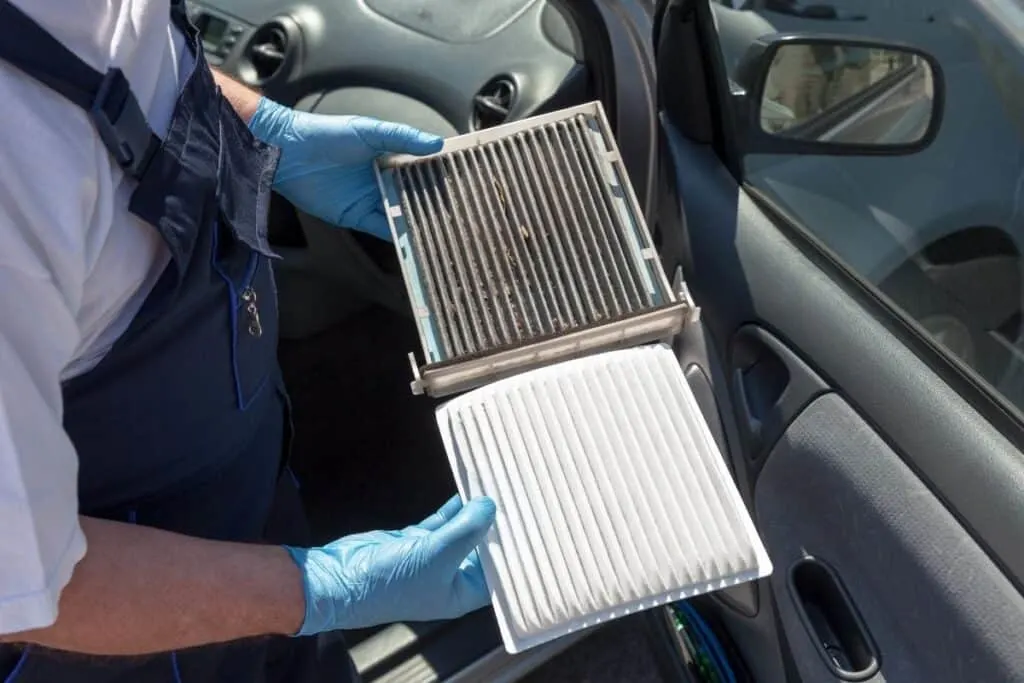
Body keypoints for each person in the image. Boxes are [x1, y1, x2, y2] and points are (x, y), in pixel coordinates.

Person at [0, 1, 497, 681]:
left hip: (248, 501)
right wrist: (316, 590)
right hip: (127, 638)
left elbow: (129, 57)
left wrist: (261, 130)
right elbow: (28, 590)